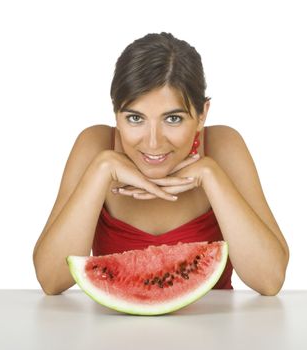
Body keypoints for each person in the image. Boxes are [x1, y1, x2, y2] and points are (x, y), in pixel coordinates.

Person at [33, 32, 289, 296]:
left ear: (202, 115)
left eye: (173, 119)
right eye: (134, 118)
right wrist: (102, 168)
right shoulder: (95, 145)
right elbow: (52, 280)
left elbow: (269, 280)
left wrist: (210, 173)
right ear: (116, 115)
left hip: (214, 333)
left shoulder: (223, 146)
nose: (153, 143)